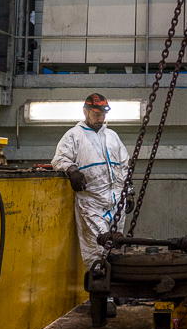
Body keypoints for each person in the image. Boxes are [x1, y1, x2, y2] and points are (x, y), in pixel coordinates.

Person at [52, 94, 133, 314]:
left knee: (116, 248)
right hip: (91, 203)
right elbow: (59, 159)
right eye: (96, 114)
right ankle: (101, 299)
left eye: (102, 114)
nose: (99, 118)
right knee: (96, 249)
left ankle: (115, 290)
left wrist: (130, 191)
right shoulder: (74, 136)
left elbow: (124, 165)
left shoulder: (112, 136)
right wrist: (72, 171)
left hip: (116, 202)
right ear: (85, 112)